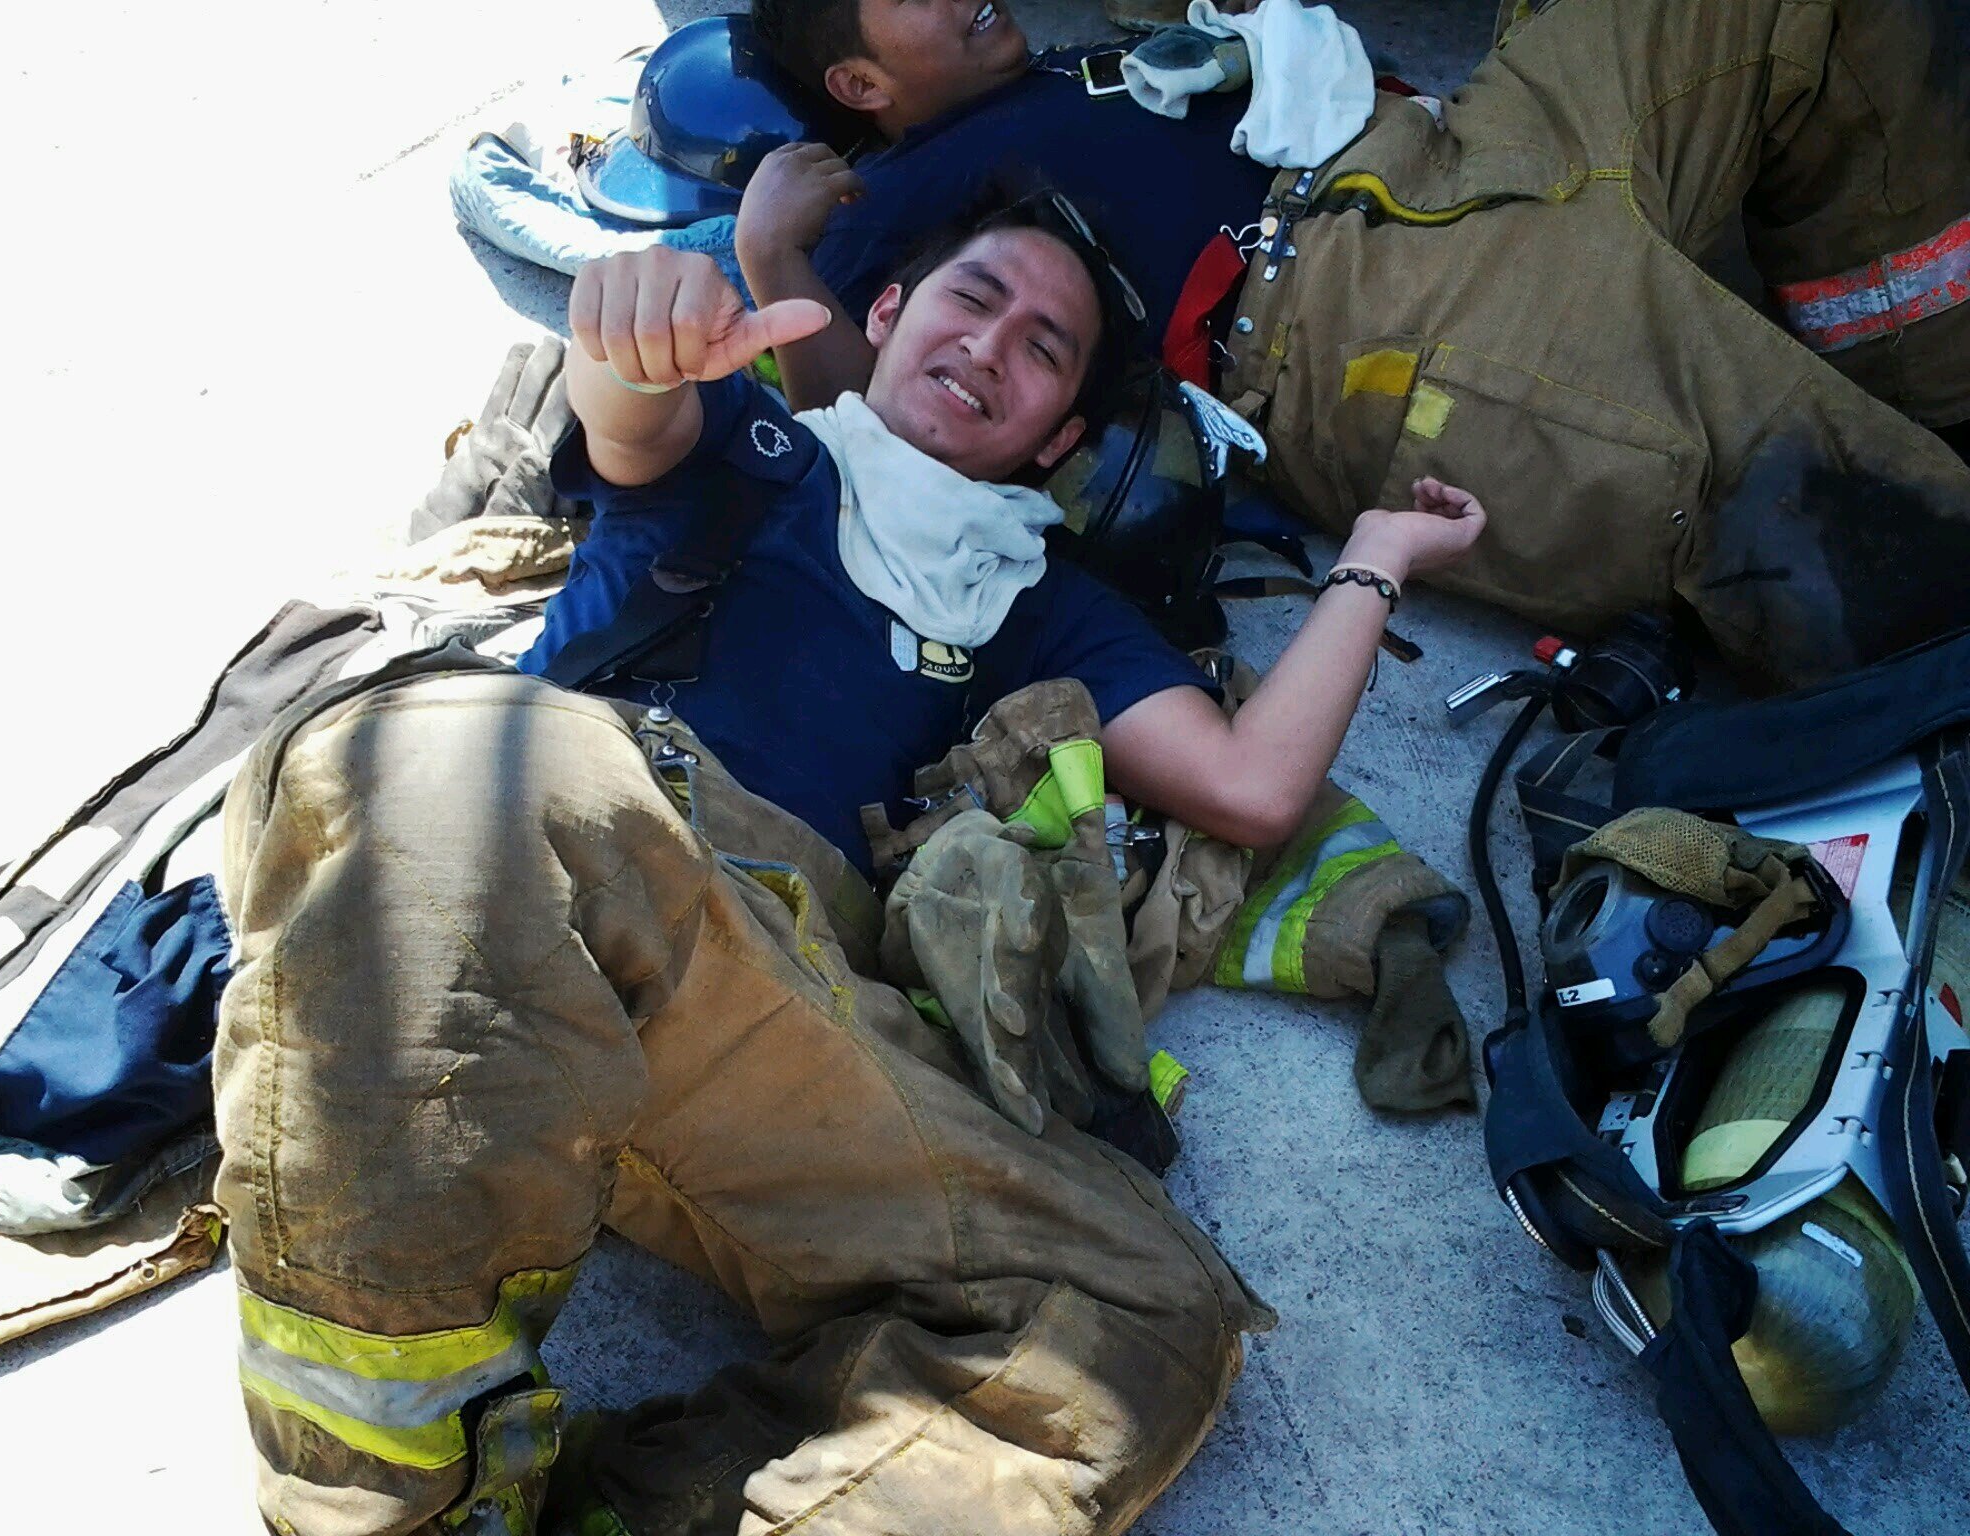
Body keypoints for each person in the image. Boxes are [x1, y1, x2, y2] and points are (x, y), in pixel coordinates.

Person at [213, 196, 1485, 1536]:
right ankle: (394, 1514)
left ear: (1054, 438)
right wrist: (626, 342)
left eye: (1045, 348)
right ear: (887, 317)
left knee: (1144, 1313)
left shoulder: (1039, 603)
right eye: (972, 296)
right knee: (439, 761)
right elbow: (634, 410)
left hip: (765, 981)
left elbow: (1254, 785)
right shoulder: (756, 446)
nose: (995, 343)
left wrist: (1375, 560)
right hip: (529, 861)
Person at [741, 0, 1970, 688]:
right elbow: (868, 448)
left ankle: (1934, 384)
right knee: (1850, 516)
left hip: (1444, 146)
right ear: (855, 87)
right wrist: (774, 261)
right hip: (1356, 321)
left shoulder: (1044, 71)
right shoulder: (878, 212)